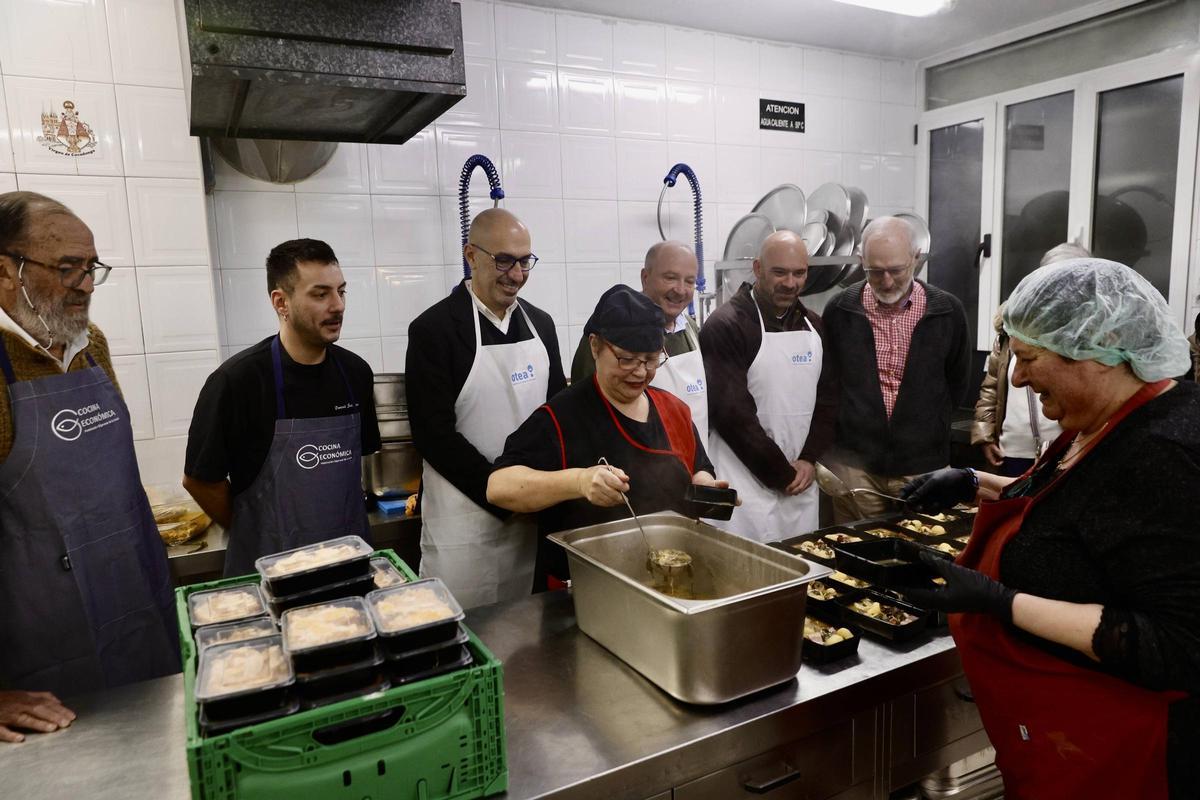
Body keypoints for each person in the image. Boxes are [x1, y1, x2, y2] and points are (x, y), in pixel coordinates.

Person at [900, 259, 1200, 798]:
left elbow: (1176, 644)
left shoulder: (1162, 453)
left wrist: (1001, 600)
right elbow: (1075, 506)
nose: (1016, 377)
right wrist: (975, 482)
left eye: (1029, 358)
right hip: (1054, 739)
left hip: (1117, 754)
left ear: (1098, 351)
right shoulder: (1101, 419)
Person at [0, 191, 177, 739]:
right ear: (5, 270)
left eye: (91, 267)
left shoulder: (90, 344)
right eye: (66, 268)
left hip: (135, 611)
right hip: (43, 662)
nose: (85, 284)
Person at [488, 285, 725, 590]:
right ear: (595, 346)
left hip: (666, 580)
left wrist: (706, 486)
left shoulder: (674, 410)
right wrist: (579, 481)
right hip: (583, 589)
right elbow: (499, 487)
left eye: (651, 359)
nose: (640, 372)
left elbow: (698, 467)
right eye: (627, 359)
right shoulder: (562, 416)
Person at [183, 239, 380, 576]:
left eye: (341, 291)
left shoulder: (356, 373)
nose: (338, 306)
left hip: (348, 567)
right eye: (320, 294)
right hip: (269, 574)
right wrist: (255, 531)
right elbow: (199, 481)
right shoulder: (237, 381)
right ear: (281, 302)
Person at [407, 208, 565, 608]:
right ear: (471, 256)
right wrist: (499, 491)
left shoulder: (542, 325)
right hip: (463, 528)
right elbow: (433, 435)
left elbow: (556, 416)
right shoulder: (433, 330)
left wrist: (540, 490)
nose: (517, 274)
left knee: (527, 631)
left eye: (525, 261)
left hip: (530, 519)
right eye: (504, 260)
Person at [821, 216, 970, 522]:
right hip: (857, 471)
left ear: (916, 258)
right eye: (875, 272)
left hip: (923, 467)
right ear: (861, 261)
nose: (887, 281)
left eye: (896, 270)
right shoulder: (839, 310)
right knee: (855, 546)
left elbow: (957, 383)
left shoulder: (947, 311)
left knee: (924, 545)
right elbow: (828, 385)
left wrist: (923, 431)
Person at [699, 230, 836, 541]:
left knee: (803, 563)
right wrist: (781, 473)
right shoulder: (726, 325)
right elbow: (733, 415)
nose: (790, 283)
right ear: (758, 268)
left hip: (800, 482)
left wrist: (808, 459)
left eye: (799, 273)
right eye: (780, 272)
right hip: (744, 481)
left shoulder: (815, 325)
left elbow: (828, 400)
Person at [571, 240, 710, 441]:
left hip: (694, 454)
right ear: (645, 277)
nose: (680, 290)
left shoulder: (690, 328)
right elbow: (584, 408)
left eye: (689, 281)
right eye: (670, 278)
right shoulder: (611, 329)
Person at [971, 243, 1087, 476]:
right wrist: (985, 434)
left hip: (1066, 447)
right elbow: (992, 386)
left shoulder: (1087, 333)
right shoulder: (1011, 328)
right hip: (1013, 449)